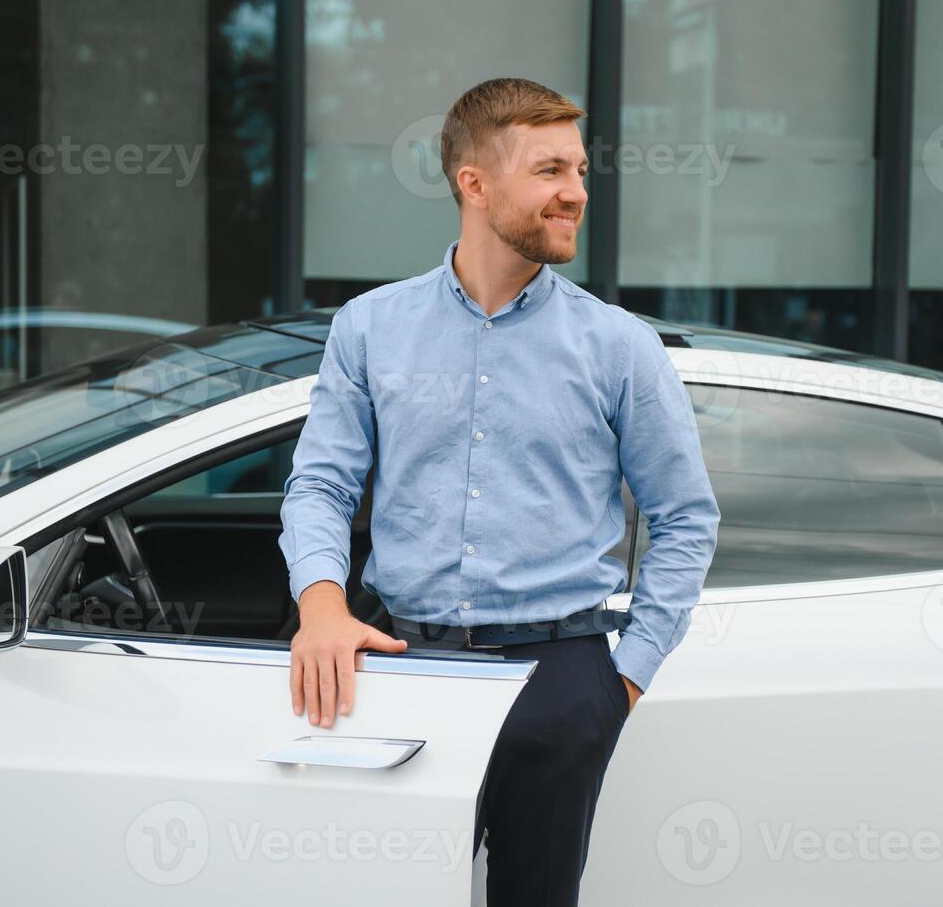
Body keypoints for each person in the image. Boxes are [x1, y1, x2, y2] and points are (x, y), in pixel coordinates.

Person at [277, 77, 721, 906]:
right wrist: (322, 607)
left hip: (561, 679)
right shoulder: (370, 328)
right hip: (403, 665)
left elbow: (685, 519)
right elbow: (320, 486)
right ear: (472, 184)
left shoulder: (619, 346)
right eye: (551, 170)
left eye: (580, 171)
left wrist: (621, 682)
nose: (576, 193)